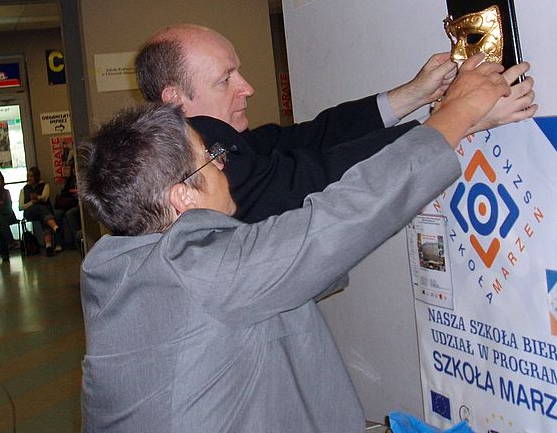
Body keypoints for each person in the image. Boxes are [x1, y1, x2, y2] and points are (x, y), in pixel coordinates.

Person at [78, 54, 525, 432]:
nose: (224, 165)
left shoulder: (126, 268)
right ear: (183, 197)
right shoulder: (202, 272)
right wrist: (458, 113)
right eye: (211, 158)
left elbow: (302, 254)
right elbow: (344, 217)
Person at [135, 23, 537, 222]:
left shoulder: (217, 141)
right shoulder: (199, 168)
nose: (248, 88)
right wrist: (462, 115)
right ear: (175, 100)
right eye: (226, 80)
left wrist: (416, 93)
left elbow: (312, 138)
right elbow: (316, 174)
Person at [19, 166, 62, 255]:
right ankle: (54, 227)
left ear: (36, 176)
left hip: (44, 212)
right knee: (41, 209)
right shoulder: (24, 189)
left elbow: (45, 198)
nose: (29, 178)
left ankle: (48, 247)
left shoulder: (45, 185)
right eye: (28, 176)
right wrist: (32, 202)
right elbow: (21, 206)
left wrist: (37, 198)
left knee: (43, 215)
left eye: (31, 176)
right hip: (30, 212)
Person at [54, 163, 81, 248]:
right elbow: (63, 192)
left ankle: (77, 240)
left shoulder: (82, 179)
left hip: (76, 204)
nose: (74, 171)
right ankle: (59, 242)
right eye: (73, 169)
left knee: (70, 214)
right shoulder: (70, 179)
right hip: (67, 203)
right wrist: (71, 191)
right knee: (57, 214)